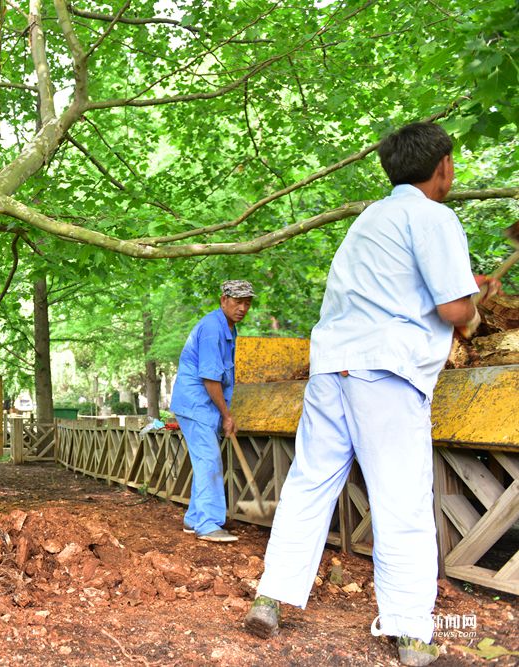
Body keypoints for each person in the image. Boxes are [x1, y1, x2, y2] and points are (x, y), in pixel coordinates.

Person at [243, 122, 500, 666]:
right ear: (443, 167)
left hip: (333, 367)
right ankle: (410, 633)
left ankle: (271, 598)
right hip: (386, 373)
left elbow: (403, 285)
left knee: (311, 484)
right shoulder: (434, 216)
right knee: (400, 497)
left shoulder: (369, 220)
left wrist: (468, 285)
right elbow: (452, 310)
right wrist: (474, 313)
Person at [169, 280, 254, 543]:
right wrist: (227, 416)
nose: (242, 308)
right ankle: (207, 524)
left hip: (204, 407)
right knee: (209, 461)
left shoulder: (228, 328)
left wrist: (223, 414)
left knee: (206, 460)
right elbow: (210, 378)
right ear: (223, 300)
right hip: (196, 404)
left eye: (247, 303)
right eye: (237, 301)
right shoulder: (212, 328)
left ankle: (195, 518)